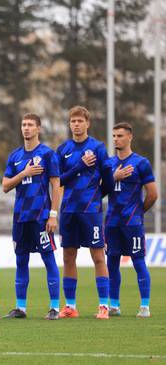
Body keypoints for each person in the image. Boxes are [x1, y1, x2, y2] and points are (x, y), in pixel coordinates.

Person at [1, 113, 62, 320]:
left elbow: (56, 186)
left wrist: (53, 215)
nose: (26, 128)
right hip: (20, 217)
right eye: (23, 125)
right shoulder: (15, 156)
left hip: (41, 216)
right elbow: (6, 186)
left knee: (48, 258)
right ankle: (21, 308)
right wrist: (24, 173)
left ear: (38, 129)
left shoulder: (47, 154)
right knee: (21, 260)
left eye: (30, 125)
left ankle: (54, 307)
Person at [56, 106, 114, 319]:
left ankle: (103, 306)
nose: (76, 124)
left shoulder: (98, 147)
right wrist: (79, 166)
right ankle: (70, 306)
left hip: (91, 211)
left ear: (87, 123)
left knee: (98, 256)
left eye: (80, 121)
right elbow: (58, 181)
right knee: (68, 256)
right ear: (70, 124)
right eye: (73, 121)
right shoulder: (63, 150)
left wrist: (97, 197)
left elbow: (108, 179)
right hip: (69, 210)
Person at [105, 122, 157, 318]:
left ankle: (145, 306)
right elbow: (100, 189)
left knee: (138, 261)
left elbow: (152, 194)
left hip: (132, 223)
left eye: (120, 136)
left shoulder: (140, 163)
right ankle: (114, 305)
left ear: (129, 137)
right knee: (112, 263)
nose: (116, 139)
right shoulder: (109, 164)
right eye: (114, 136)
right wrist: (114, 177)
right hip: (111, 222)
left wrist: (138, 212)